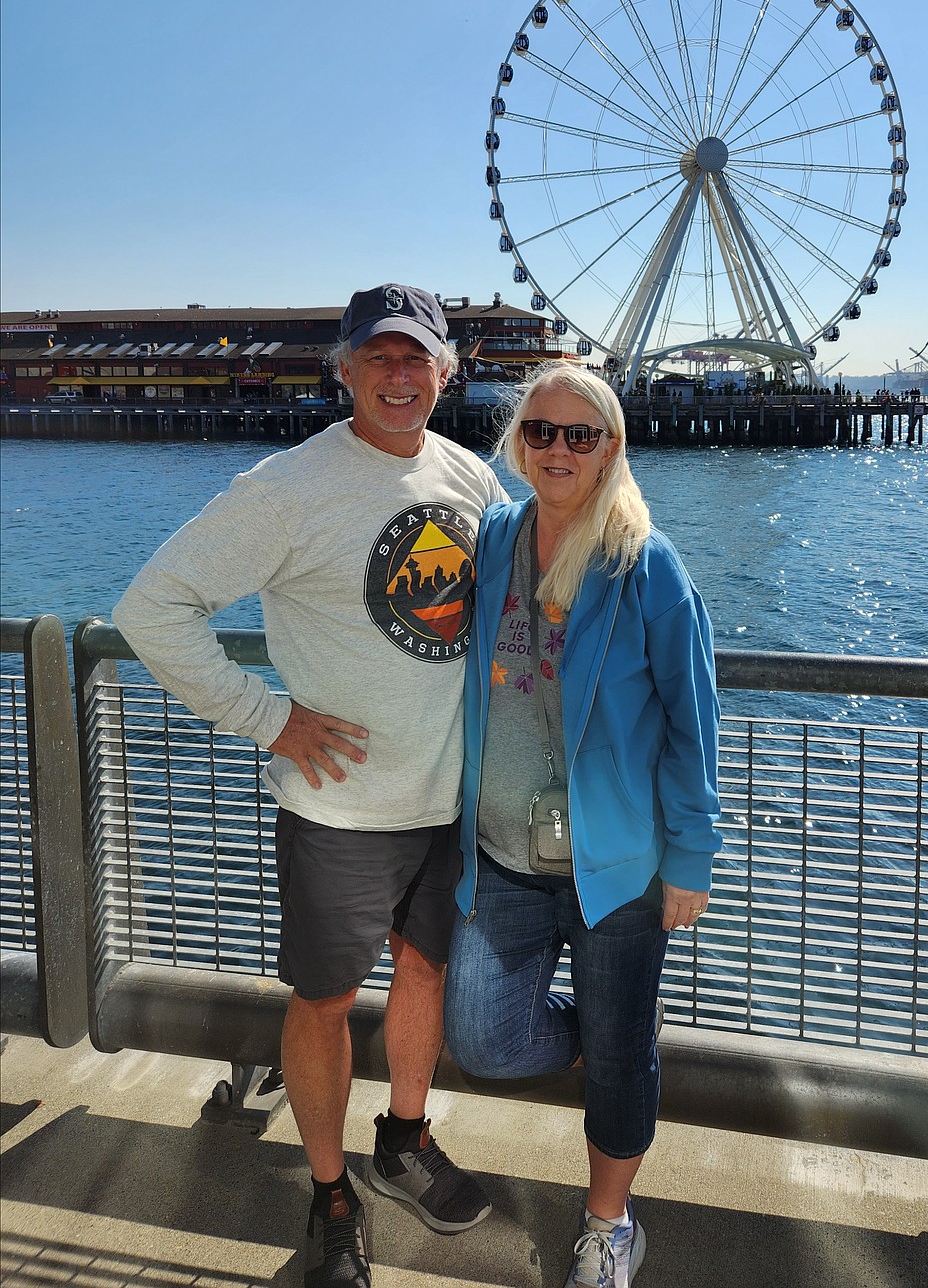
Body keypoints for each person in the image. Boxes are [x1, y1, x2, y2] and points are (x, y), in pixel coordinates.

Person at [113, 284, 506, 1288]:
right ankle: (332, 1191)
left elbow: (520, 614)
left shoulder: (472, 478)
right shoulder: (286, 487)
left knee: (425, 976)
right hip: (337, 808)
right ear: (340, 369)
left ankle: (404, 1140)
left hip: (450, 798)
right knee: (325, 999)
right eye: (377, 356)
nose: (398, 373)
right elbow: (154, 607)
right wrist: (270, 717)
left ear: (446, 372)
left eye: (417, 357)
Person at [443, 363, 721, 1288]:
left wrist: (690, 858)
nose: (557, 449)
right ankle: (614, 1043)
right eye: (541, 432)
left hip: (619, 869)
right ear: (517, 442)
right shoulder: (491, 540)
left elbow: (692, 722)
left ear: (612, 448)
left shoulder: (647, 563)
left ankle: (609, 1224)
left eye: (580, 434)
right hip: (503, 857)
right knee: (481, 1037)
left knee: (618, 1056)